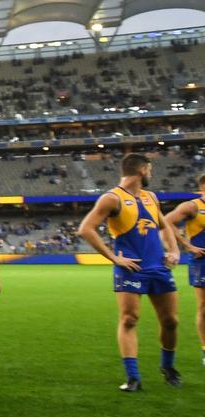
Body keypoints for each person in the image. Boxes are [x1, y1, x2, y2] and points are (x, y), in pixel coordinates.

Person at [77, 153, 183, 391]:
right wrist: (113, 257)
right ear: (143, 170)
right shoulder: (112, 198)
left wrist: (174, 250)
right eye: (151, 170)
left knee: (171, 321)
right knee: (129, 319)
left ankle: (168, 367)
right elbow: (86, 229)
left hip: (158, 268)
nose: (151, 175)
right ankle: (133, 377)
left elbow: (165, 227)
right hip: (131, 269)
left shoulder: (151, 197)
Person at [164, 173, 205, 368]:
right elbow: (166, 221)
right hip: (202, 262)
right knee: (204, 308)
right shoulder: (193, 206)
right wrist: (187, 246)